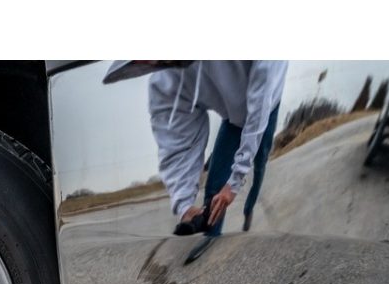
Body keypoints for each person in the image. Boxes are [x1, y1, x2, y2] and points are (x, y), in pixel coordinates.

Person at [106, 61, 287, 235]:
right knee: (215, 191)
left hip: (267, 105)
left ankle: (249, 209)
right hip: (233, 119)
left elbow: (260, 99)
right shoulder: (165, 78)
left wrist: (234, 183)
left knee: (259, 163)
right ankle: (211, 238)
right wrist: (184, 205)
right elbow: (175, 140)